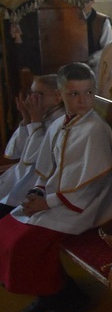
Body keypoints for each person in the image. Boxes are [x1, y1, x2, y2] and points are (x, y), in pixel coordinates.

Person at [0, 62, 112, 312]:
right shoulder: (59, 124)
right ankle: (46, 294)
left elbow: (90, 186)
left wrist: (46, 202)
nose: (82, 100)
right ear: (61, 94)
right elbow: (46, 169)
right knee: (6, 229)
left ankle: (69, 299)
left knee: (26, 243)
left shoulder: (95, 129)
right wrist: (36, 193)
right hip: (58, 197)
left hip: (87, 205)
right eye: (74, 94)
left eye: (88, 93)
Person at [0, 75, 64, 219]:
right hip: (18, 179)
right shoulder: (44, 115)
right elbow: (16, 152)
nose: (32, 99)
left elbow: (34, 157)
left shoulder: (61, 120)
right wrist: (26, 119)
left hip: (34, 186)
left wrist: (35, 121)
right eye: (32, 93)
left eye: (39, 94)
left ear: (57, 96)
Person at [80, 0, 112, 69]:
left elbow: (107, 48)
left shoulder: (102, 21)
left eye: (84, 0)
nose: (80, 4)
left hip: (95, 67)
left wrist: (89, 60)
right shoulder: (67, 19)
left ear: (92, 1)